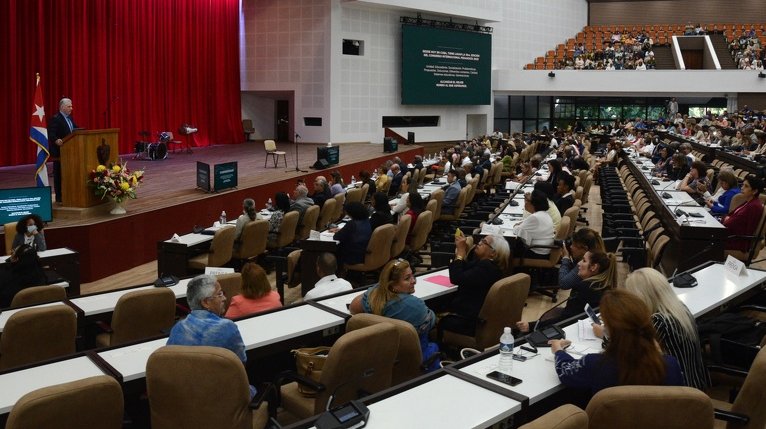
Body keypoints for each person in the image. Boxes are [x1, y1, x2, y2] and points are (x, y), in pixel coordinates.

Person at [549, 289, 684, 395]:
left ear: (609, 330)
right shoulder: (671, 365)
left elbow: (565, 371)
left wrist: (558, 351)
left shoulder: (595, 364)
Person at [167, 274, 255, 397]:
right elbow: (240, 366)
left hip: (187, 402)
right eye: (219, 294)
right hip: (224, 401)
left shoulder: (177, 329)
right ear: (206, 302)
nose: (224, 298)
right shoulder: (227, 327)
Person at [622, 268, 710, 390]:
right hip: (696, 384)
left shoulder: (659, 321)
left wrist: (607, 332)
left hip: (680, 395)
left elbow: (626, 353)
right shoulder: (680, 308)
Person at [517, 232, 612, 331]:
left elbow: (566, 319)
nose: (579, 264)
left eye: (583, 260)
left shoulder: (585, 288)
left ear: (593, 267)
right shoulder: (601, 280)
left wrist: (531, 326)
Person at [350, 259, 437, 365]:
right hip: (412, 356)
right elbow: (432, 321)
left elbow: (353, 307)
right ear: (393, 285)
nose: (413, 281)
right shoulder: (415, 306)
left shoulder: (373, 296)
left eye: (412, 275)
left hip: (381, 356)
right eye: (407, 278)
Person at [443, 233, 509, 331]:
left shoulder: (486, 268)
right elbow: (463, 269)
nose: (479, 243)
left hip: (470, 319)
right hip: (475, 312)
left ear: (493, 253)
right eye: (481, 240)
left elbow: (456, 278)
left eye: (484, 242)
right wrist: (464, 251)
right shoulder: (487, 264)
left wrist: (461, 252)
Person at [47, 98, 78, 203]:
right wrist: (56, 140)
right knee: (59, 175)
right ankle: (59, 197)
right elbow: (51, 133)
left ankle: (69, 194)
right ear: (62, 107)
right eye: (69, 106)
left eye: (71, 106)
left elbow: (76, 131)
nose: (71, 108)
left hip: (71, 153)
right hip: (60, 153)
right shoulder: (56, 119)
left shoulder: (70, 119)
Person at [723, 175, 764, 253]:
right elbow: (732, 218)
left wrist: (726, 220)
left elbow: (747, 228)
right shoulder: (749, 202)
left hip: (737, 241)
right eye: (742, 185)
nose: (742, 187)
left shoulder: (754, 206)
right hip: (731, 235)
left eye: (746, 186)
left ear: (754, 191)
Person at [512, 190, 555, 260]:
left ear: (533, 203)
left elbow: (517, 231)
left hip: (538, 252)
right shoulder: (544, 214)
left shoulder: (535, 217)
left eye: (527, 201)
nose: (525, 202)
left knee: (511, 246)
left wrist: (516, 226)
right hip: (545, 249)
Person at [333, 201, 372, 266]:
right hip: (362, 253)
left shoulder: (352, 223)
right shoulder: (366, 220)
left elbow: (336, 237)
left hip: (351, 257)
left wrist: (342, 231)